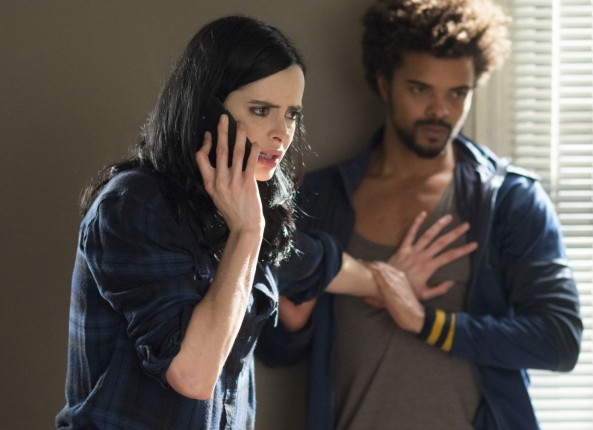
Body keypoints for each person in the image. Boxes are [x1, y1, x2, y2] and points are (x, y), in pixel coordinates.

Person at [55, 13, 475, 430]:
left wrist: (390, 280)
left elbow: (318, 263)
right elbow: (192, 374)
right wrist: (247, 232)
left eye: (292, 114)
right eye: (261, 110)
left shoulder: (243, 205)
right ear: (206, 109)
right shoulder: (134, 204)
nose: (281, 134)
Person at [256, 1, 584, 429]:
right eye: (420, 89)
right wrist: (310, 307)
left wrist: (428, 323)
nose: (439, 111)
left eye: (457, 93)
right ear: (384, 82)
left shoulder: (511, 200)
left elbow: (559, 340)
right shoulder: (319, 197)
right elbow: (276, 353)